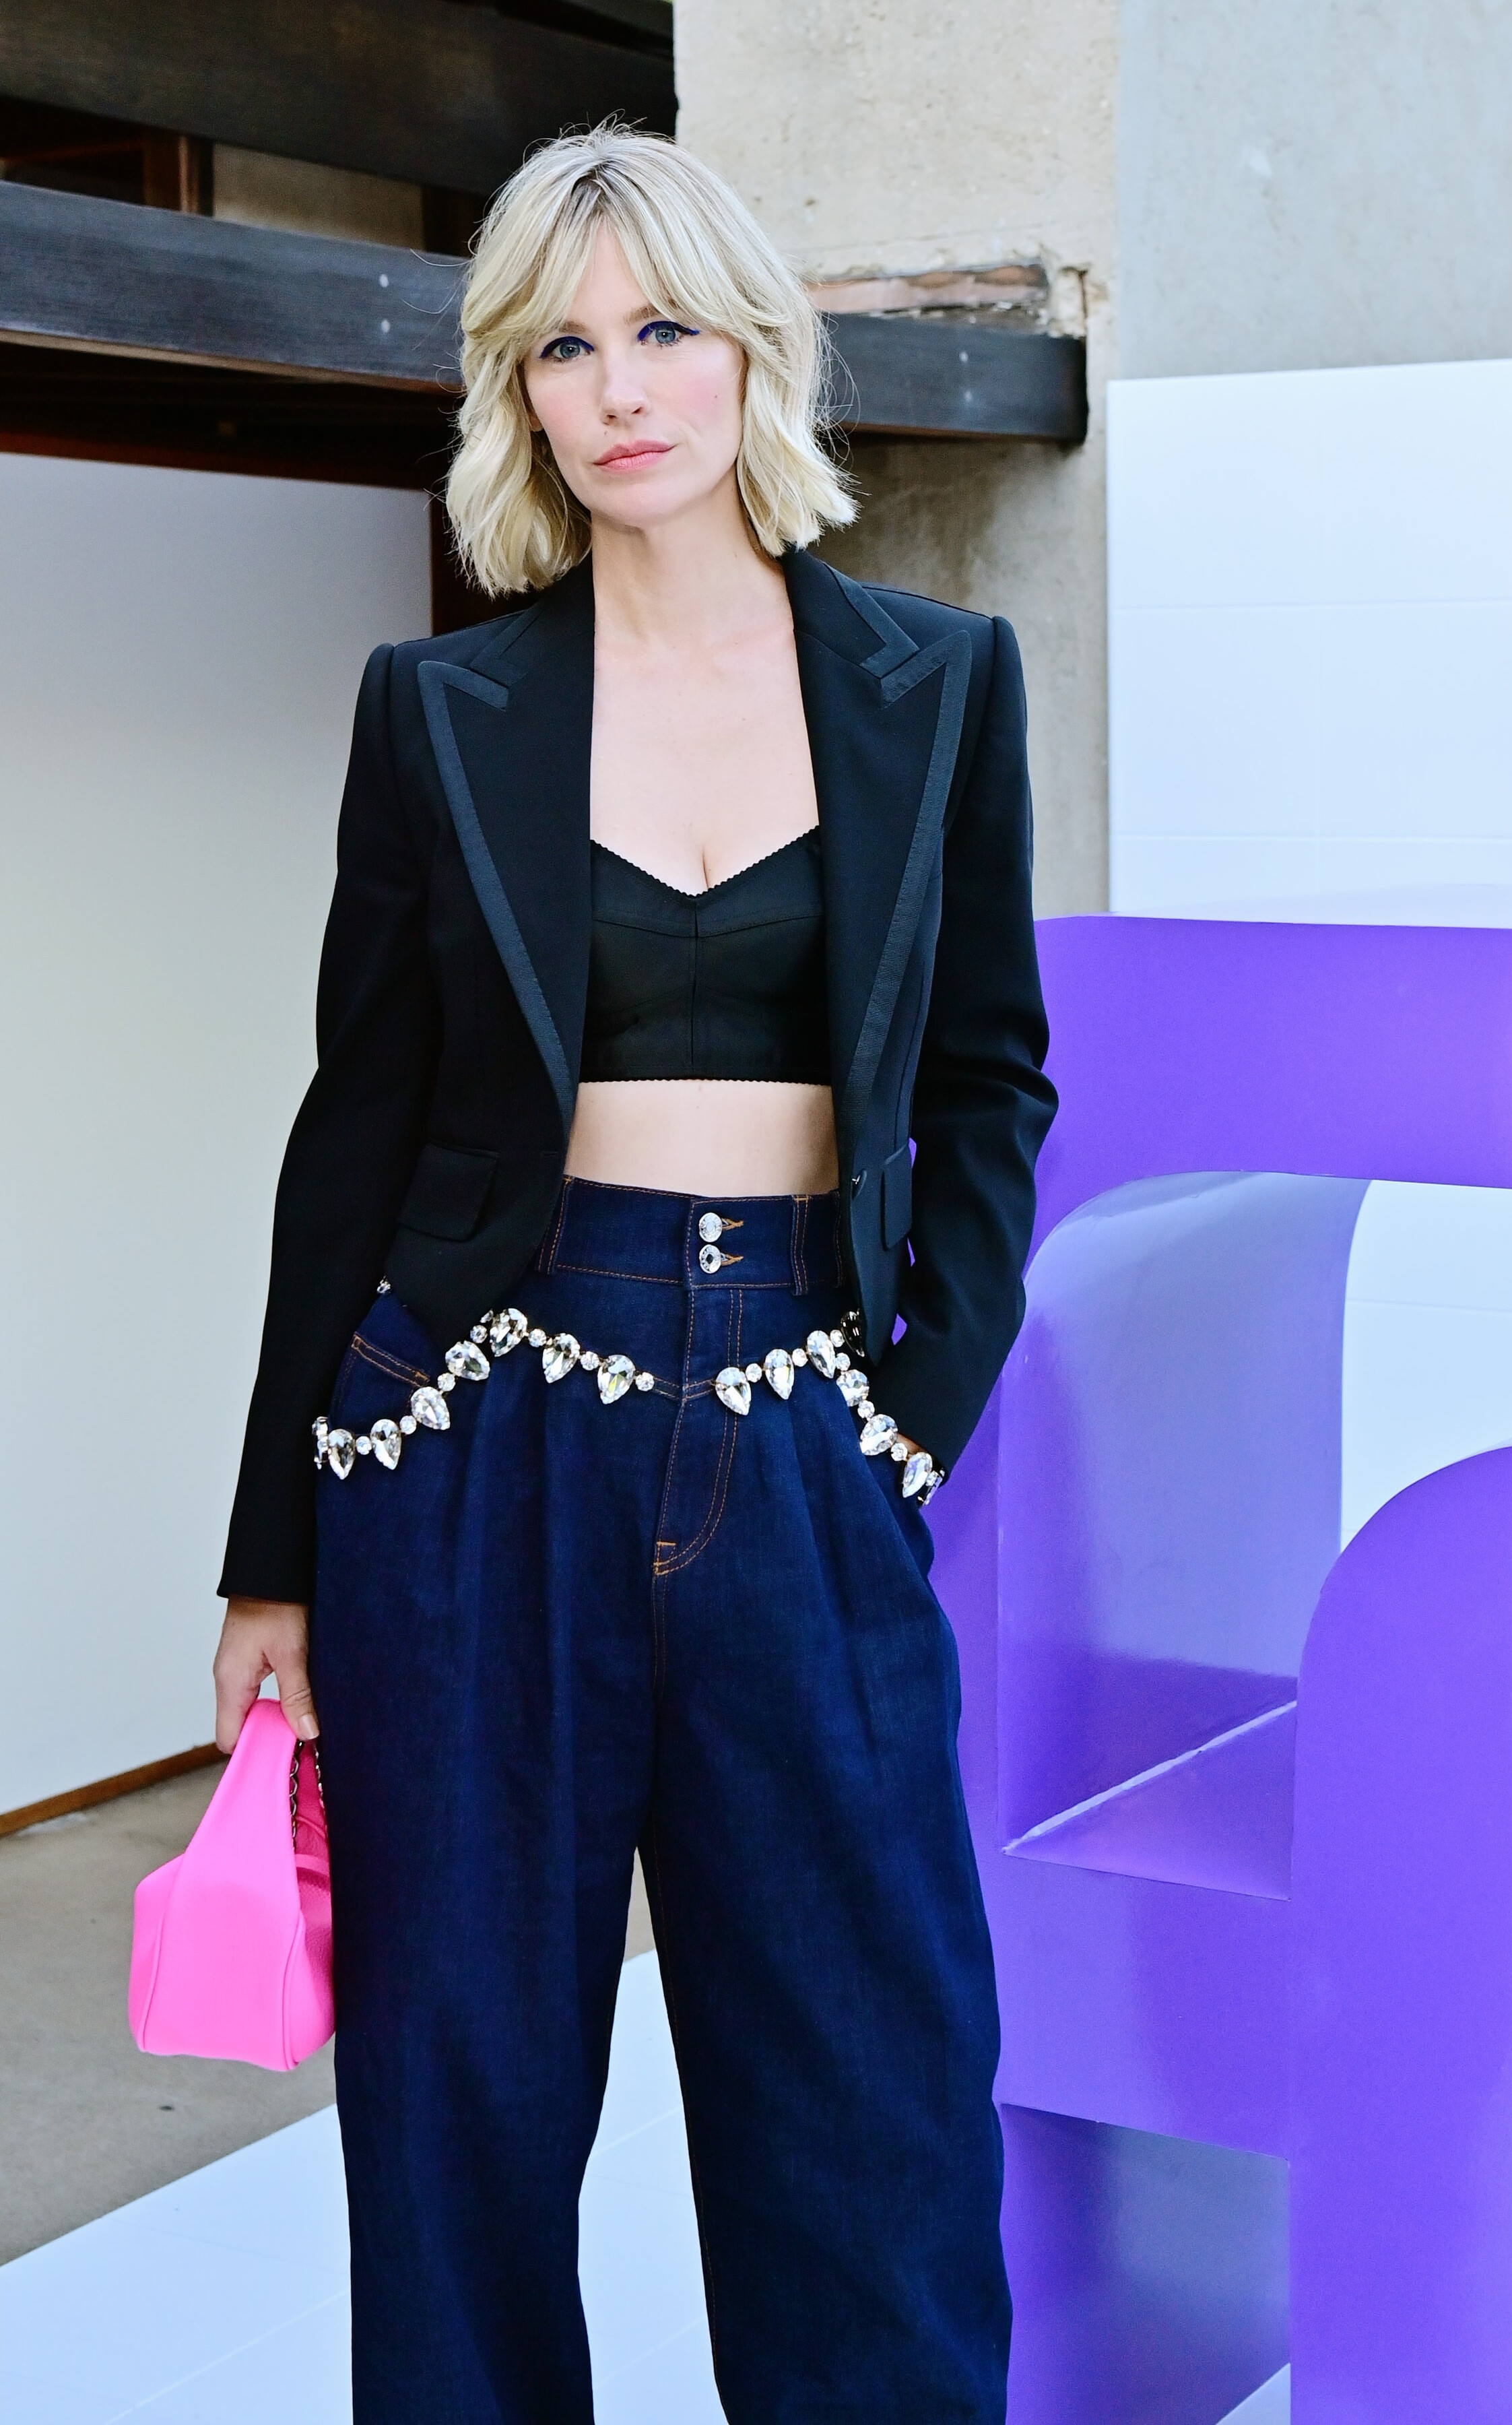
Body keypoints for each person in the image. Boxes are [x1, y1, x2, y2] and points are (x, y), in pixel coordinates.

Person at [212, 124, 1055, 2425]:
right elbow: (355, 1128)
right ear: (518, 392)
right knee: (460, 2103)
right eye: (562, 347)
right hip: (473, 1435)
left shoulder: (940, 685)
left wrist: (910, 1413)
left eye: (662, 327)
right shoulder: (441, 712)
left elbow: (991, 1082)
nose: (620, 388)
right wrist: (274, 1549)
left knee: (873, 2096)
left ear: (751, 349)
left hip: (803, 1422)